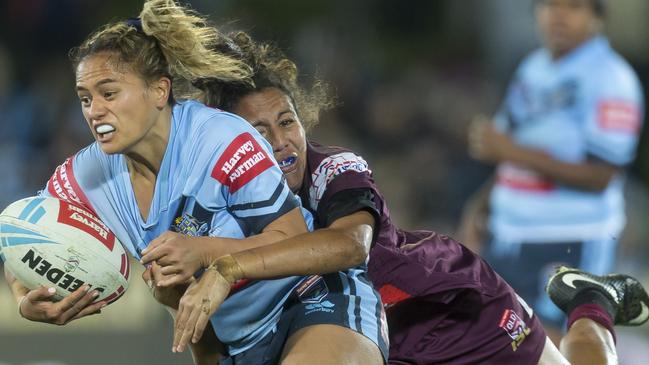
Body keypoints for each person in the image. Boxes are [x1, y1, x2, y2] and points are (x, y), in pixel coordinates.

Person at [141, 30, 648, 364]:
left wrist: (226, 264)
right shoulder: (215, 212)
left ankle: (591, 301)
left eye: (287, 121)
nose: (281, 142)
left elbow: (350, 246)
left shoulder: (333, 168)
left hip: (451, 312)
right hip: (375, 346)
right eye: (259, 131)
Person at [3, 1, 387, 365]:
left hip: (310, 300)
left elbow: (292, 234)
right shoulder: (86, 175)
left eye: (109, 93)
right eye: (85, 99)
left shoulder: (218, 140)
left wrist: (206, 254)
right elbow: (22, 235)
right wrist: (25, 299)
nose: (94, 111)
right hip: (235, 341)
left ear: (159, 91)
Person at [459, 0, 644, 341]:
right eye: (549, 5)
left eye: (573, 6)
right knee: (499, 342)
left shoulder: (611, 77)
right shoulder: (534, 67)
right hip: (510, 233)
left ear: (597, 18)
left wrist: (510, 150)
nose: (558, 15)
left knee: (559, 346)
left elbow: (601, 176)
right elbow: (505, 147)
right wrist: (482, 204)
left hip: (569, 236)